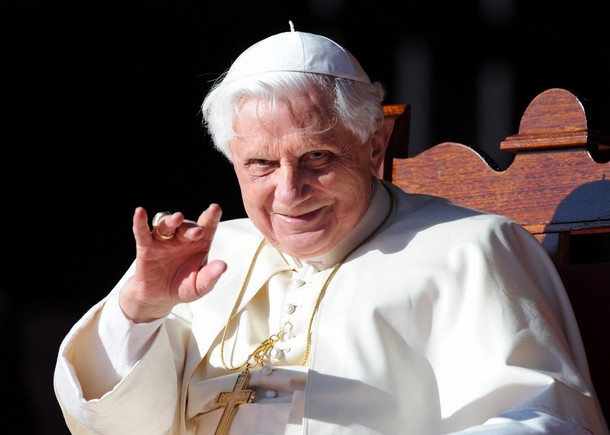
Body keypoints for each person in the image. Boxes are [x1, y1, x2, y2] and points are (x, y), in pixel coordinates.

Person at [54, 24, 609, 435]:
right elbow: (117, 424)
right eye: (261, 165)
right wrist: (139, 312)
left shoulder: (471, 249)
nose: (289, 191)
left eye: (317, 157)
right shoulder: (203, 259)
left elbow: (543, 418)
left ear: (374, 146)